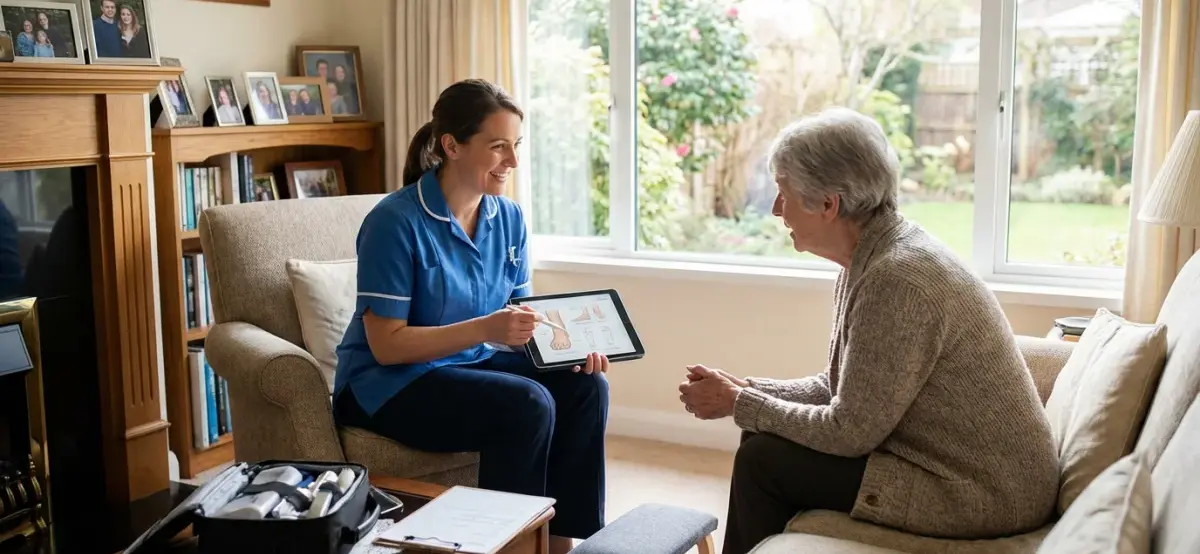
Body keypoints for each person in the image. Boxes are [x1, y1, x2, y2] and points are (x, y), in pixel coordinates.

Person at [677, 107, 1059, 554]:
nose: (776, 209)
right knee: (761, 433)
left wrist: (741, 402)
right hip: (961, 469)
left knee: (763, 459)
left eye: (783, 193)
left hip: (984, 494)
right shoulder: (869, 258)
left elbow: (849, 430)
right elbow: (839, 387)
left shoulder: (896, 280)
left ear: (828, 203)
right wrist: (748, 390)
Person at [331, 79, 610, 554]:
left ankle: (560, 545)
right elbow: (387, 345)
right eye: (498, 146)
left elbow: (521, 319)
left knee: (586, 387)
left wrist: (567, 349)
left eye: (516, 145)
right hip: (387, 384)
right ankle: (508, 547)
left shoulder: (510, 218)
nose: (513, 161)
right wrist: (486, 328)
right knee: (525, 404)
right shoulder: (394, 223)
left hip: (469, 362)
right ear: (451, 145)